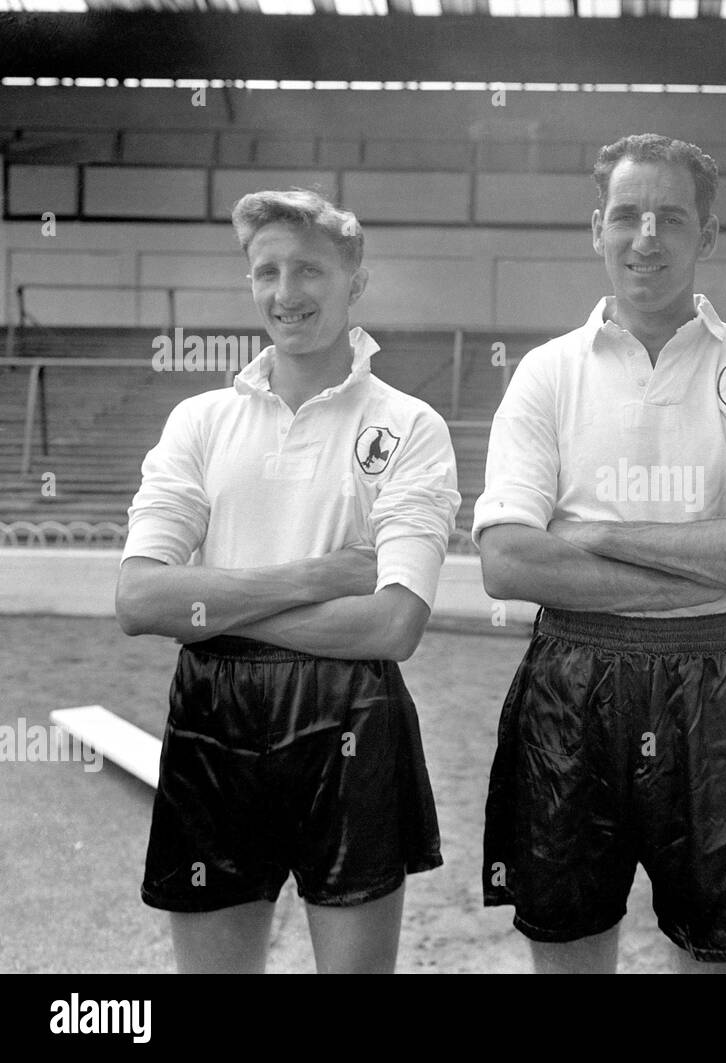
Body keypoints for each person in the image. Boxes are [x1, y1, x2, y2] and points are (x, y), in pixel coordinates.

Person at [474, 133, 726, 974]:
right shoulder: (547, 373)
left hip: (719, 682)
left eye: (672, 217)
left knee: (724, 953)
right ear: (598, 228)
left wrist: (594, 532)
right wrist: (715, 553)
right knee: (566, 944)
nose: (647, 236)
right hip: (571, 680)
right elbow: (509, 565)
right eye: (627, 215)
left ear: (708, 234)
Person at [116, 189, 459, 973]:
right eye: (266, 271)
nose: (286, 292)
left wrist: (211, 610)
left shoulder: (410, 425)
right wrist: (318, 574)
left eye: (308, 270)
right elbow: (138, 600)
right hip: (213, 716)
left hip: (351, 713)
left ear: (354, 282)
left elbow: (392, 626)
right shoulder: (200, 421)